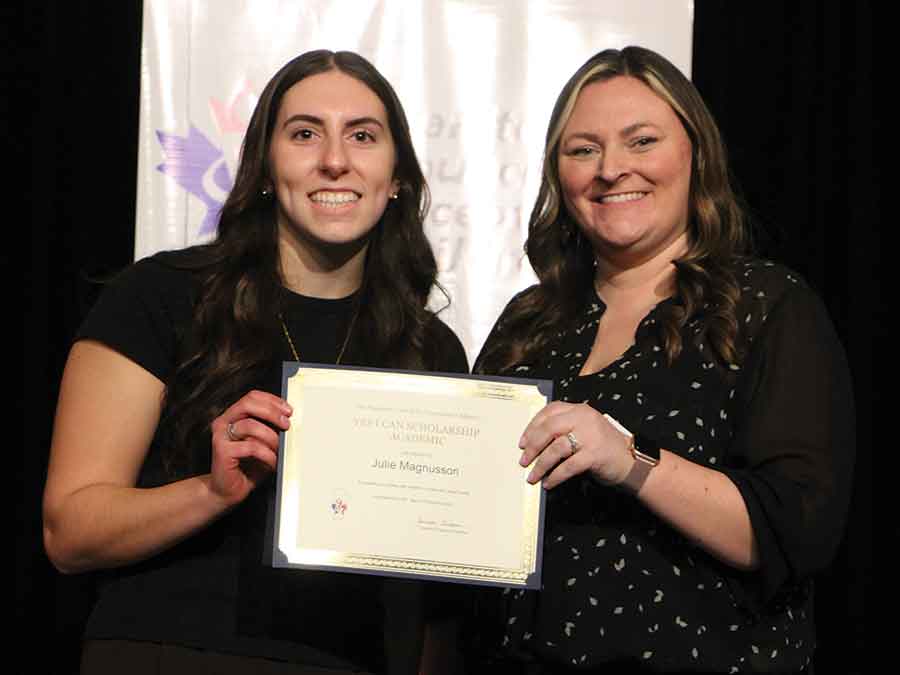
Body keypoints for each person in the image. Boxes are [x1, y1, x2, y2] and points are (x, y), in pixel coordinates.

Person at [42, 49, 468, 675]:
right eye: (304, 134)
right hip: (173, 652)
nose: (334, 160)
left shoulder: (433, 351)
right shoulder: (160, 297)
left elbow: (438, 598)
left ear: (397, 174)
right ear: (266, 168)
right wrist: (210, 493)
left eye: (362, 136)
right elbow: (69, 532)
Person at [469, 46, 854, 674]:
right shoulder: (528, 322)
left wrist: (627, 456)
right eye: (583, 149)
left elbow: (794, 531)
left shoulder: (763, 307)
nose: (611, 169)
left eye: (641, 141)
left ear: (695, 153)